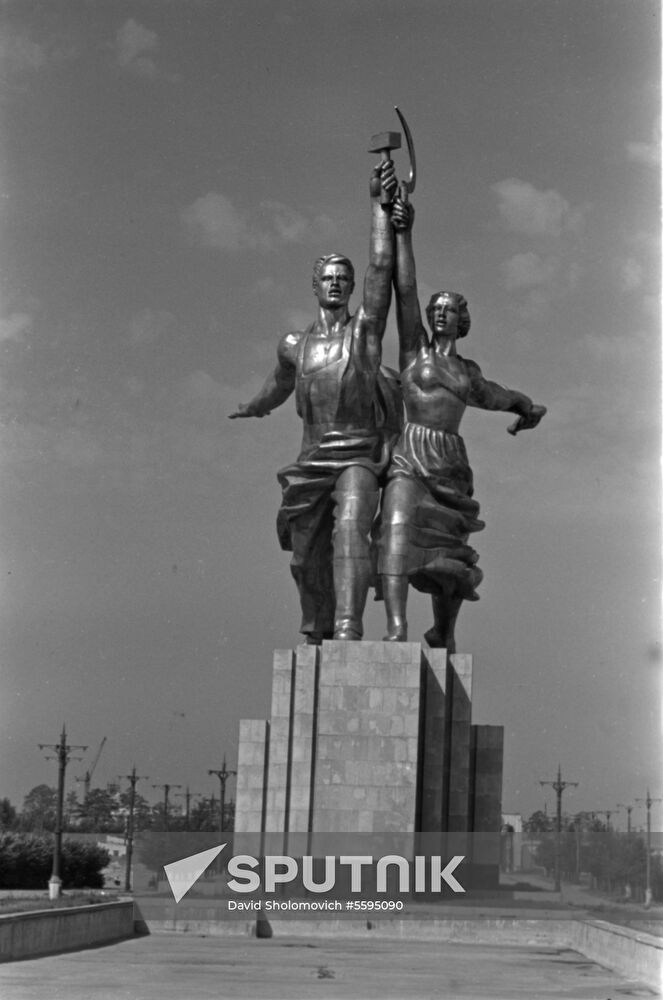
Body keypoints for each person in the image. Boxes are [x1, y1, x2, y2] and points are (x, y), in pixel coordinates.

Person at [230, 161, 400, 643]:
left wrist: (378, 206)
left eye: (344, 278)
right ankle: (318, 627)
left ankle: (349, 625)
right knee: (305, 559)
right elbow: (279, 385)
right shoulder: (294, 344)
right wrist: (254, 406)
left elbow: (382, 268)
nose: (337, 283)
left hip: (358, 456)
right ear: (315, 285)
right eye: (328, 277)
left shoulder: (364, 333)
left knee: (351, 531)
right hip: (312, 461)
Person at [379, 195, 546, 650]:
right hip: (411, 455)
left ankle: (443, 630)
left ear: (461, 320)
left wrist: (526, 407)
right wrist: (404, 232)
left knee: (449, 554)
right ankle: (396, 627)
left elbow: (498, 395)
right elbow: (406, 289)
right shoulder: (415, 351)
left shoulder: (467, 373)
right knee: (396, 524)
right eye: (436, 308)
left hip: (450, 464)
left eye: (448, 309)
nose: (438, 313)